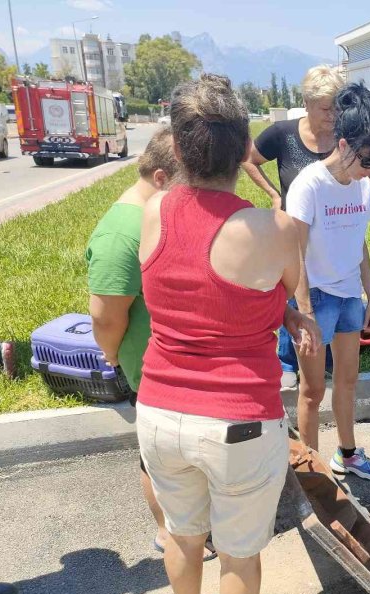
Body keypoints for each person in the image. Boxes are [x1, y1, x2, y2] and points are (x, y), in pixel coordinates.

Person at [136, 73, 319, 594]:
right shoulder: (274, 229)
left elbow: (199, 289)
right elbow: (279, 289)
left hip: (159, 411)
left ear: (179, 149)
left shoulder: (152, 211)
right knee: (239, 553)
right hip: (237, 418)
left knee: (182, 535)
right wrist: (289, 310)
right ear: (246, 150)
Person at [86, 128, 219, 561]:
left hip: (177, 362)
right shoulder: (120, 235)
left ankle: (193, 525)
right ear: (162, 178)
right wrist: (113, 357)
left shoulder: (154, 215)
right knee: (158, 460)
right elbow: (106, 317)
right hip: (149, 369)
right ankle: (168, 532)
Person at [287, 82, 370, 481]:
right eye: (368, 161)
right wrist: (306, 315)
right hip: (316, 299)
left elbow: (361, 243)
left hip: (350, 296)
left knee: (348, 382)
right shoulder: (310, 184)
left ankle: (347, 455)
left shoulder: (363, 185)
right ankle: (311, 469)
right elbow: (294, 253)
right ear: (345, 143)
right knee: (313, 391)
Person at [241, 65, 344, 389]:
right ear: (308, 103)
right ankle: (287, 359)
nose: (333, 115)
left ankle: (321, 357)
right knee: (291, 293)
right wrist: (273, 193)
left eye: (338, 106)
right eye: (327, 108)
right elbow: (248, 158)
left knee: (326, 289)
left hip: (331, 232)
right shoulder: (283, 133)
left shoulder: (343, 136)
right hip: (291, 232)